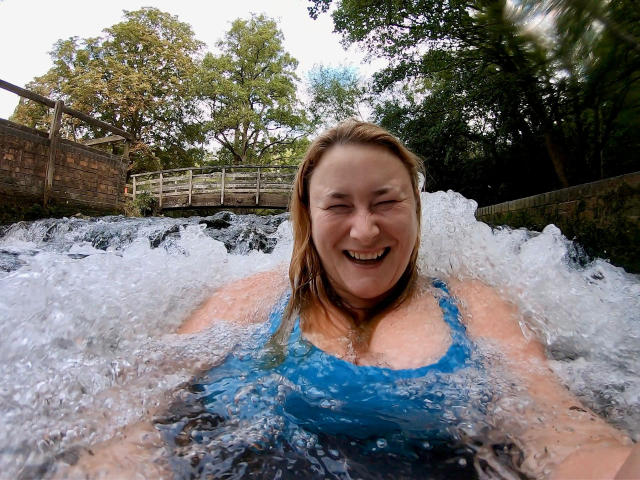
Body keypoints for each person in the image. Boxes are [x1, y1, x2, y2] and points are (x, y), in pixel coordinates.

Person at [63, 120, 638, 479]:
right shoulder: (252, 298)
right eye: (339, 206)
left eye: (385, 202)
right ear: (308, 218)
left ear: (416, 209)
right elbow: (131, 405)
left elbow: (557, 425)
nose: (364, 231)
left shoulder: (472, 305)